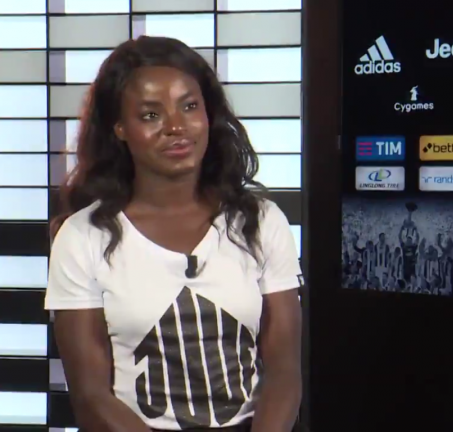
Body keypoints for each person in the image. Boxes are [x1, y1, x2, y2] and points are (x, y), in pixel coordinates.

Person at [44, 35, 303, 432]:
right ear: (119, 128)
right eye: (151, 114)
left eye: (189, 106)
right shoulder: (82, 238)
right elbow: (91, 396)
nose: (176, 127)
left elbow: (284, 372)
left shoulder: (262, 222)